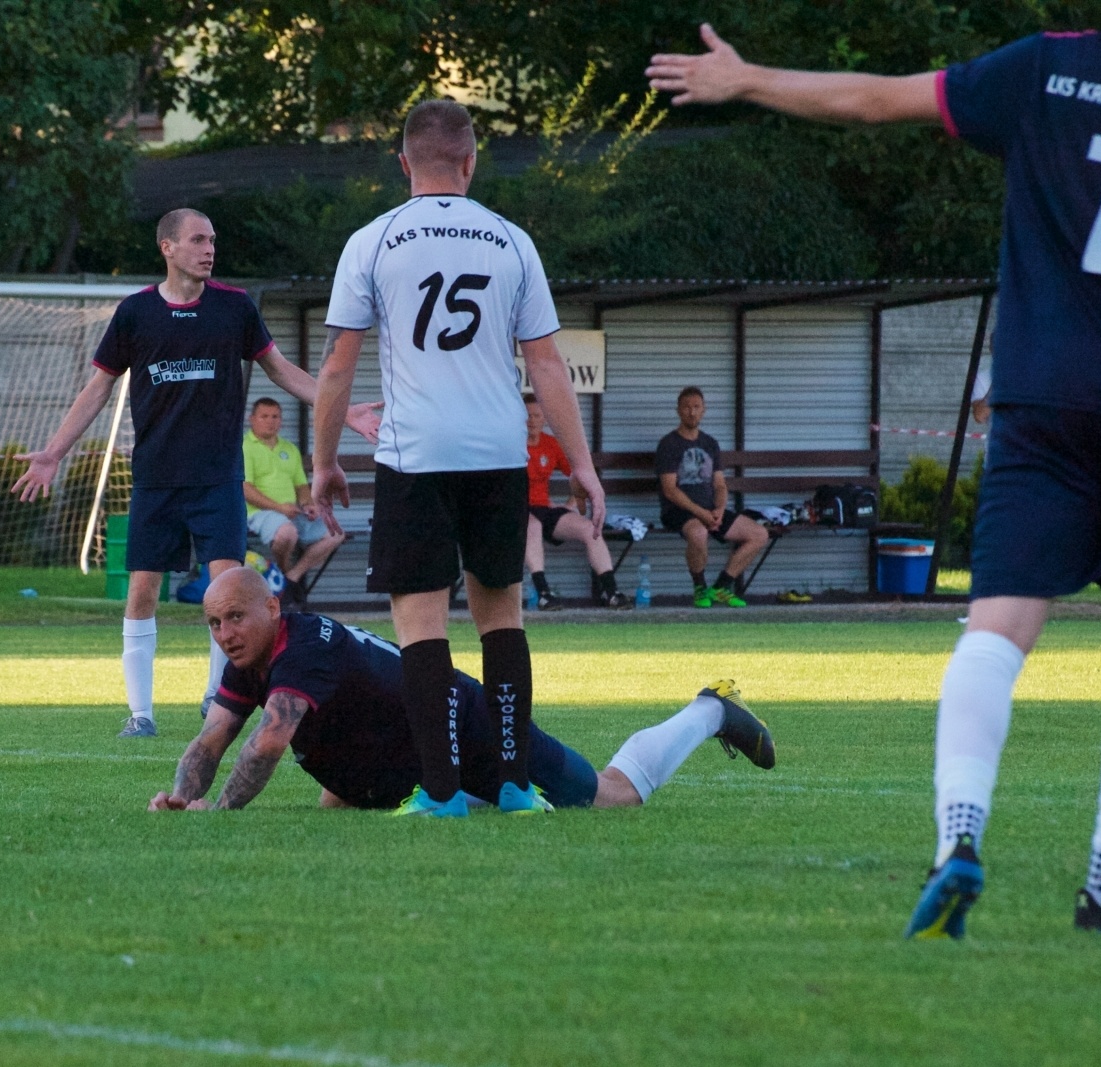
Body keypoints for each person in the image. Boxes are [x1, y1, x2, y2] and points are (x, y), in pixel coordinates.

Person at [647, 1, 1101, 935]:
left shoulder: (1044, 68)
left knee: (996, 629)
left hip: (1043, 394)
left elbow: (875, 100)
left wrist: (747, 80)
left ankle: (959, 835)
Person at [312, 99, 605, 816]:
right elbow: (547, 366)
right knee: (503, 616)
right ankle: (512, 784)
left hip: (416, 454)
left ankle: (441, 792)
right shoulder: (511, 242)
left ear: (404, 162)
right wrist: (582, 464)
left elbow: (336, 370)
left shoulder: (374, 241)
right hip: (499, 453)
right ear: (471, 162)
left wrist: (323, 461)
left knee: (420, 622)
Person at [12, 208, 381, 738]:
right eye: (198, 240)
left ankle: (216, 696)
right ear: (167, 247)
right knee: (142, 591)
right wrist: (51, 453)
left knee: (227, 592)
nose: (209, 249)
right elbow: (98, 388)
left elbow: (282, 370)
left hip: (217, 480)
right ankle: (140, 715)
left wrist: (341, 409)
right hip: (157, 480)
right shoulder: (135, 313)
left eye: (213, 240)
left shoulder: (234, 308)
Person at [146, 568, 774, 814]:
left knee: (612, 797)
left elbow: (265, 745)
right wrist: (179, 797)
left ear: (273, 608)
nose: (224, 634)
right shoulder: (249, 653)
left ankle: (710, 710)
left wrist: (219, 815)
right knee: (339, 809)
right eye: (213, 623)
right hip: (394, 756)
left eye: (234, 618)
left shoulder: (303, 648)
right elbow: (213, 738)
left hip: (466, 723)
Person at [654, 386, 769, 609]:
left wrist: (718, 509)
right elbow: (670, 490)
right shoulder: (668, 444)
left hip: (709, 510)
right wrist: (702, 514)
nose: (692, 412)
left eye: (696, 407)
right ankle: (699, 587)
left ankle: (722, 586)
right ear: (678, 410)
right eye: (686, 407)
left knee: (759, 534)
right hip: (678, 511)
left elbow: (719, 484)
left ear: (704, 410)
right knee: (698, 533)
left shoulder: (710, 443)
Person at [523, 394, 629, 609]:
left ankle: (612, 593)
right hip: (516, 510)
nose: (532, 420)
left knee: (589, 528)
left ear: (544, 419)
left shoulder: (551, 444)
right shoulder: (511, 444)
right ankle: (544, 594)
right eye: (527, 415)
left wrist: (569, 505)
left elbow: (580, 476)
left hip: (545, 508)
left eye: (536, 415)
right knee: (532, 526)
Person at [243, 397, 344, 606]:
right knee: (287, 533)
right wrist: (279, 507)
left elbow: (301, 487)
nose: (271, 421)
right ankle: (283, 579)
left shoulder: (289, 448)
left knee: (335, 533)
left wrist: (309, 505)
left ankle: (289, 578)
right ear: (251, 419)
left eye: (275, 416)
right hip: (259, 513)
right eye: (264, 416)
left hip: (292, 512)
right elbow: (245, 489)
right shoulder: (244, 447)